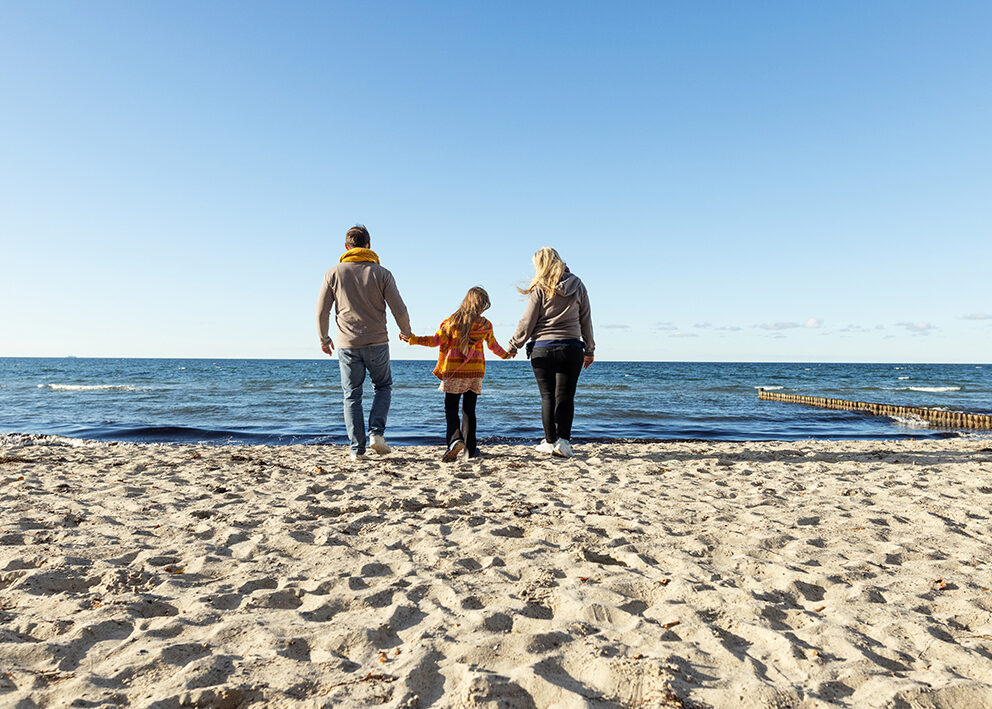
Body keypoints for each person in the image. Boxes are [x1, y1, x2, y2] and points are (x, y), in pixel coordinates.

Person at [317, 225, 413, 461]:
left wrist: (324, 338)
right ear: (369, 245)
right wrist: (407, 332)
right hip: (377, 342)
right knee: (382, 387)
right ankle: (376, 434)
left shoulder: (333, 273)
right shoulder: (382, 273)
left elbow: (322, 311)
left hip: (347, 344)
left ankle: (356, 450)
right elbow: (399, 309)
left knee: (352, 395)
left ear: (346, 247)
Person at [402, 287, 513, 462]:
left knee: (451, 409)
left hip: (454, 371)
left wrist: (413, 339)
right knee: (469, 410)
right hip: (475, 372)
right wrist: (506, 354)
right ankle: (470, 450)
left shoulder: (451, 322)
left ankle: (454, 440)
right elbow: (493, 346)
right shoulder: (485, 325)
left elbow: (434, 341)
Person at [507, 247, 594, 458]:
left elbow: (527, 321)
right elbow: (586, 319)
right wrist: (589, 349)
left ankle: (550, 441)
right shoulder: (577, 284)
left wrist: (513, 345)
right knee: (565, 397)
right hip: (571, 348)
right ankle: (563, 442)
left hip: (542, 349)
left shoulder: (540, 287)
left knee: (547, 397)